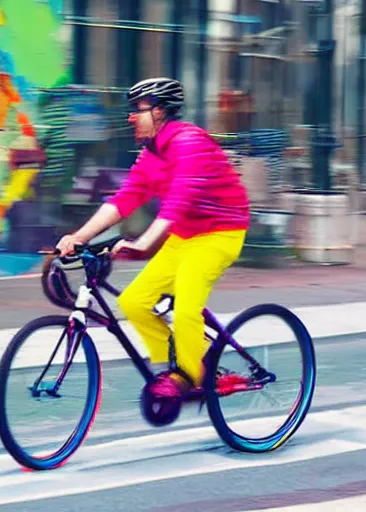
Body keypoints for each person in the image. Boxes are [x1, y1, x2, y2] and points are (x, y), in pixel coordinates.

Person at [56, 77, 250, 398]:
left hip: (220, 232)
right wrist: (77, 237)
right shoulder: (151, 154)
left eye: (138, 110)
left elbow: (180, 200)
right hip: (185, 235)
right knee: (134, 301)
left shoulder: (190, 142)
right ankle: (176, 369)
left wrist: (145, 242)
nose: (131, 117)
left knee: (187, 309)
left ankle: (188, 378)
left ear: (160, 112)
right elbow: (124, 200)